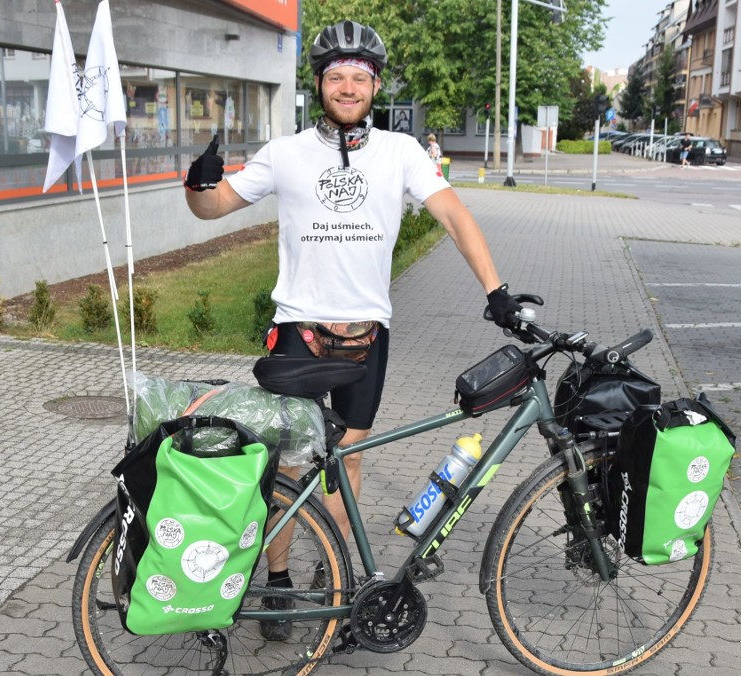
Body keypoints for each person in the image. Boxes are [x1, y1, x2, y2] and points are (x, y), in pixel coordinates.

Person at [183, 19, 521, 639]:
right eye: (335, 76)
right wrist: (197, 182)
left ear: (375, 85)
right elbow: (214, 207)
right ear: (319, 84)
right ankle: (279, 583)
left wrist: (495, 291)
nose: (346, 86)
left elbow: (453, 214)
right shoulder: (285, 153)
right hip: (299, 330)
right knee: (289, 462)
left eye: (358, 77)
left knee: (348, 458)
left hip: (368, 332)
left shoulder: (402, 153)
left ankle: (332, 576)